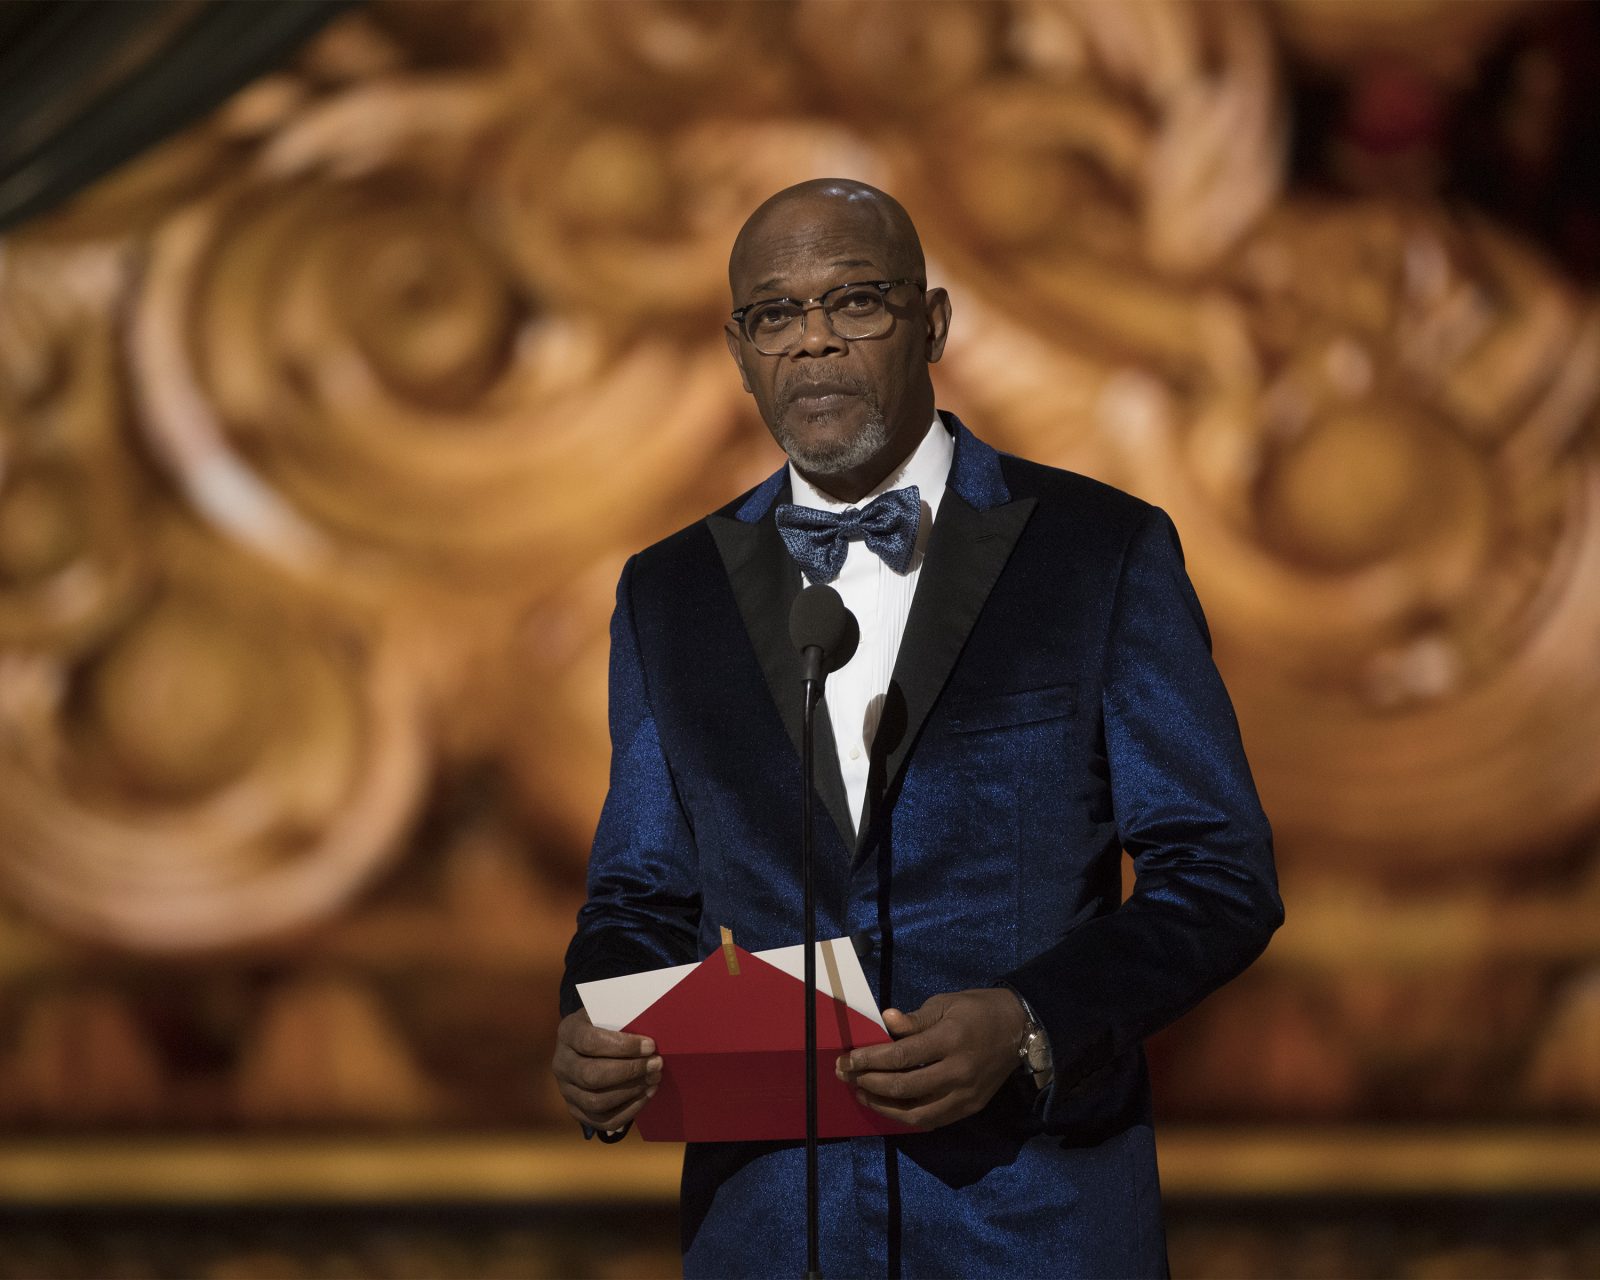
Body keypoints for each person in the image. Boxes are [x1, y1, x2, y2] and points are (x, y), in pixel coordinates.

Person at [552, 178, 1282, 1278]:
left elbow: (1220, 873)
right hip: (768, 1230)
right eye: (774, 314)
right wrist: (593, 1024)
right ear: (739, 347)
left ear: (932, 322)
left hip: (1032, 1222)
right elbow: (639, 893)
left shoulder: (1099, 550)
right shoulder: (671, 592)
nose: (810, 342)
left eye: (854, 302)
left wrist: (1030, 1018)